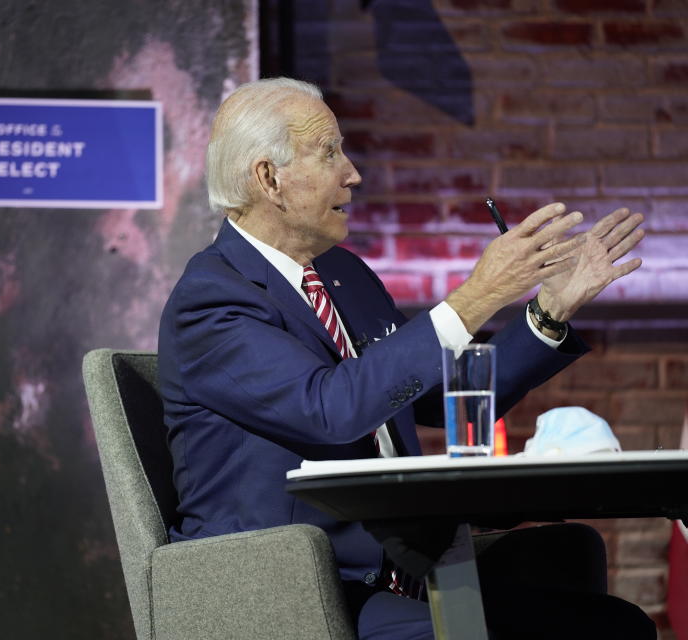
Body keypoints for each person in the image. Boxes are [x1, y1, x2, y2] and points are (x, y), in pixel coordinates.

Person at [158, 77, 653, 639]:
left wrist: (548, 312)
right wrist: (478, 295)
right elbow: (331, 409)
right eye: (330, 153)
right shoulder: (214, 297)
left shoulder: (345, 275)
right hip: (301, 590)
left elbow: (433, 396)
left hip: (410, 565)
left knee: (615, 624)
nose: (353, 173)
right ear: (268, 179)